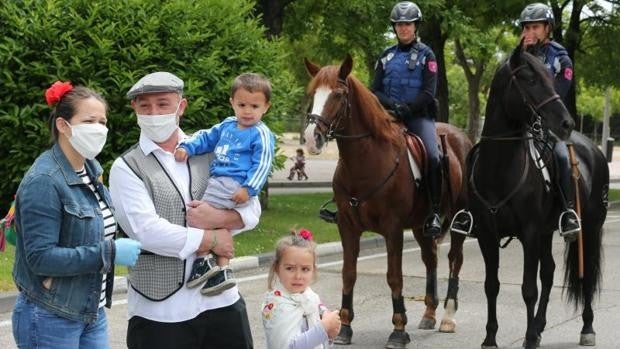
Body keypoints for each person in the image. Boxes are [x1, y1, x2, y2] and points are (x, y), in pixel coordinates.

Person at [109, 71, 258, 349]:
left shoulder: (213, 151)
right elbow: (146, 231)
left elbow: (252, 208)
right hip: (161, 310)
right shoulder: (126, 167)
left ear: (182, 106)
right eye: (145, 106)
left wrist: (219, 218)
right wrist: (211, 239)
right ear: (135, 110)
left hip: (221, 301)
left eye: (163, 104)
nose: (154, 113)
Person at [11, 81, 141, 348]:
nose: (99, 129)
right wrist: (109, 253)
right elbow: (40, 257)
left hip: (88, 309)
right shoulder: (45, 180)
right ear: (63, 125)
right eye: (89, 120)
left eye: (102, 121)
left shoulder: (91, 170)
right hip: (49, 314)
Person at [451, 2, 579, 241]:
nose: (531, 32)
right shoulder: (517, 58)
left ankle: (567, 211)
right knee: (478, 154)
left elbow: (556, 94)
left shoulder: (560, 58)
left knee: (561, 156)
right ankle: (468, 212)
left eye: (536, 27)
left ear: (548, 28)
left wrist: (542, 117)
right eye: (527, 27)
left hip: (548, 123)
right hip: (517, 125)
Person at [174, 72, 275, 296]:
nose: (247, 111)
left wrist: (248, 189)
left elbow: (263, 164)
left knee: (198, 217)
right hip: (219, 182)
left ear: (266, 107)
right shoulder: (227, 125)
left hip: (234, 185)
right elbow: (206, 138)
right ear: (232, 103)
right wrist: (187, 147)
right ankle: (223, 270)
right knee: (217, 226)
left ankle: (203, 262)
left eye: (255, 106)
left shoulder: (261, 134)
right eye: (242, 104)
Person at [371, 1, 442, 238]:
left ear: (415, 26)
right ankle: (348, 203)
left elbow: (429, 92)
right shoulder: (386, 55)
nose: (403, 28)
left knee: (433, 156)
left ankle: (434, 212)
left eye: (408, 24)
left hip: (418, 118)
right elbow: (375, 90)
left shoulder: (427, 55)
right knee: (360, 147)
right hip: (389, 117)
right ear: (394, 27)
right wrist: (392, 107)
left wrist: (408, 109)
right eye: (399, 24)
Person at [261, 228, 341, 349]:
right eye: (290, 268)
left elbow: (318, 341)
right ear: (277, 268)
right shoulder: (277, 305)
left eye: (305, 269)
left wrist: (329, 334)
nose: (298, 276)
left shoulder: (310, 296)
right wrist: (324, 328)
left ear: (313, 270)